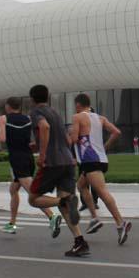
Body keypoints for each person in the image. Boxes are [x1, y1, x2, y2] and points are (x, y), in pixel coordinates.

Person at [28, 85, 89, 257]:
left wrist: (42, 154)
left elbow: (44, 127)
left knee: (33, 199)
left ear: (32, 99)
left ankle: (63, 201)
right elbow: (63, 137)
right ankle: (80, 242)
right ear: (47, 97)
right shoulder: (55, 113)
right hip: (68, 162)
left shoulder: (35, 112)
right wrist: (38, 144)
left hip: (52, 162)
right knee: (67, 209)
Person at [69, 93, 132, 244]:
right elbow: (117, 132)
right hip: (100, 159)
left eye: (75, 105)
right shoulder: (100, 118)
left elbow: (75, 139)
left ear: (78, 105)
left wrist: (69, 135)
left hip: (90, 160)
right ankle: (94, 218)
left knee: (102, 192)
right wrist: (105, 147)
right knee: (81, 185)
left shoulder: (77, 117)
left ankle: (120, 223)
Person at [0, 96, 58, 236]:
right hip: (28, 157)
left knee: (33, 192)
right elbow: (35, 139)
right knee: (13, 189)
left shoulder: (3, 119)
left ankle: (52, 215)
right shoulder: (28, 119)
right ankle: (12, 223)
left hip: (16, 158)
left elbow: (3, 138)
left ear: (8, 106)